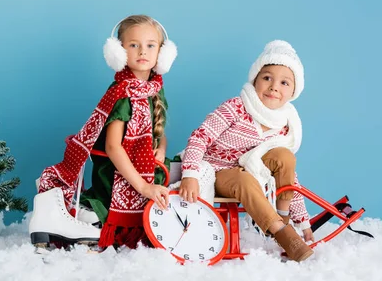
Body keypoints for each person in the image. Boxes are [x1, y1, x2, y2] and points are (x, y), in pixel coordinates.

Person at [29, 14, 177, 250]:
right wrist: (143, 187)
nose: (142, 52)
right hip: (117, 168)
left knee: (185, 170)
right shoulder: (122, 95)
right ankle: (93, 212)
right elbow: (113, 147)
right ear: (118, 51)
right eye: (133, 45)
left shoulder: (154, 89)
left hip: (145, 163)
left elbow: (158, 133)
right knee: (157, 188)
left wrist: (161, 148)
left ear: (163, 52)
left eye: (150, 45)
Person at [177, 40, 314, 262]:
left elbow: (290, 177)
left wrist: (304, 221)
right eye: (267, 78)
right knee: (244, 179)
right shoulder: (237, 107)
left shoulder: (286, 126)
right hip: (218, 172)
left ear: (293, 92)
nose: (274, 87)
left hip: (252, 172)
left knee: (284, 156)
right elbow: (200, 137)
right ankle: (284, 236)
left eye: (284, 82)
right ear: (255, 79)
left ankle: (284, 217)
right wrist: (190, 174)